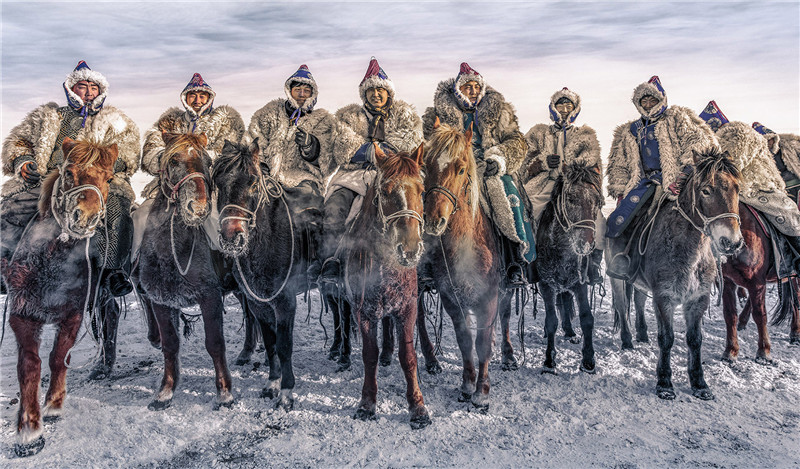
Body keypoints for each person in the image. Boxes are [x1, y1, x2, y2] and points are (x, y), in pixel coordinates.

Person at [1, 60, 140, 296]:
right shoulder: (48, 116)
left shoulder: (118, 121)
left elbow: (129, 152)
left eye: (93, 87)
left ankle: (112, 271)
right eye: (82, 86)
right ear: (71, 89)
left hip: (100, 182)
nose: (88, 92)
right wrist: (22, 161)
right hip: (49, 179)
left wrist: (101, 167)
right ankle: (5, 267)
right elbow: (20, 140)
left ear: (101, 91)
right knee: (11, 208)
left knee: (118, 210)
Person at [421, 62, 532, 286]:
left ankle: (514, 259)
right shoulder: (438, 113)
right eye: (466, 87)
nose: (471, 91)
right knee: (429, 197)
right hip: (454, 167)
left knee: (508, 196)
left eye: (475, 86)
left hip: (488, 166)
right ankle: (427, 263)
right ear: (457, 89)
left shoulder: (500, 111)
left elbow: (517, 141)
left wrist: (499, 159)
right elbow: (428, 141)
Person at [319, 57, 423, 284]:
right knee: (335, 207)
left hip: (394, 174)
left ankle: (423, 262)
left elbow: (411, 145)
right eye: (371, 91)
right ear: (364, 95)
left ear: (389, 93)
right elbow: (342, 147)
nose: (376, 94)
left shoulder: (405, 115)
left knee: (416, 207)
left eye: (380, 90)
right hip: (354, 175)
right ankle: (331, 260)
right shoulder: (347, 117)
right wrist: (371, 151)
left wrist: (382, 152)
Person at [246, 65, 338, 282]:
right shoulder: (267, 114)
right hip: (268, 177)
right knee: (247, 206)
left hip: (303, 177)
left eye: (306, 91)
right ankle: (243, 259)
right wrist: (261, 165)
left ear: (312, 94)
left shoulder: (322, 120)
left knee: (310, 208)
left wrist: (310, 146)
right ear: (290, 90)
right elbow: (253, 140)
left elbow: (327, 155)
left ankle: (314, 259)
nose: (302, 94)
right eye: (298, 90)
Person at [605, 76, 718, 248]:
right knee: (620, 221)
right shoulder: (629, 131)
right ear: (638, 103)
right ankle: (621, 262)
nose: (649, 104)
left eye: (653, 99)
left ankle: (713, 258)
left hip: (678, 182)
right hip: (644, 184)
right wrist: (620, 191)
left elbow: (698, 142)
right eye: (645, 100)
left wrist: (686, 172)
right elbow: (618, 164)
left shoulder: (677, 118)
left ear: (661, 100)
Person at [523, 87, 604, 284]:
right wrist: (542, 162)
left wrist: (575, 169)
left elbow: (594, 164)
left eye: (569, 104)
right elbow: (524, 161)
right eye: (561, 104)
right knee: (529, 211)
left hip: (574, 186)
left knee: (599, 221)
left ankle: (593, 266)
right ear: (553, 108)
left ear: (575, 108)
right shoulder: (538, 133)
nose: (565, 108)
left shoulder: (586, 135)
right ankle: (530, 260)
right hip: (546, 184)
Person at [140, 73, 245, 194]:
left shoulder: (225, 122)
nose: (197, 101)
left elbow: (229, 155)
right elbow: (152, 151)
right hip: (171, 184)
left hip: (213, 184)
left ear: (209, 98)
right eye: (193, 96)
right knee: (143, 212)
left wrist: (194, 160)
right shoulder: (170, 122)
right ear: (185, 98)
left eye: (202, 96)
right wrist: (173, 160)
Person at [753, 122, 800, 201]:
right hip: (783, 190)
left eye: (770, 139)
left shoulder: (788, 146)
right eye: (765, 141)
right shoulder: (760, 157)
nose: (769, 143)